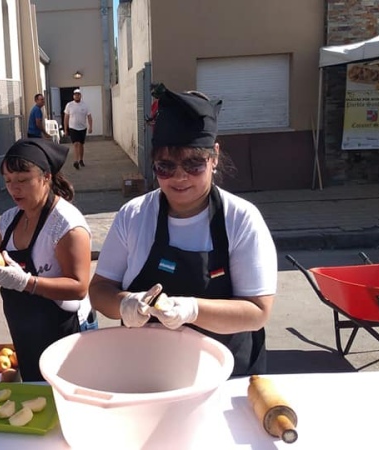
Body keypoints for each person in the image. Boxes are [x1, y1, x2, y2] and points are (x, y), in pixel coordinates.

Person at [88, 86, 277, 377]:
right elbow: (100, 290)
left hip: (223, 373)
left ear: (214, 157)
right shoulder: (134, 216)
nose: (179, 176)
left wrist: (192, 310)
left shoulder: (241, 219)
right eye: (166, 166)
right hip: (147, 370)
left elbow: (257, 311)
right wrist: (124, 304)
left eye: (193, 164)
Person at [0, 138, 93, 382]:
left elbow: (79, 287)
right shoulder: (8, 220)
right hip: (24, 330)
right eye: (8, 181)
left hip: (64, 332)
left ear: (46, 177)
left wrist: (27, 282)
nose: (14, 189)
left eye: (23, 180)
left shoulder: (66, 224)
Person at [63, 89, 92, 170]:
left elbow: (89, 117)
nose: (77, 96)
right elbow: (66, 117)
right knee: (76, 144)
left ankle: (81, 159)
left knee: (81, 144)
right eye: (75, 94)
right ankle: (76, 161)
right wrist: (65, 129)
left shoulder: (85, 105)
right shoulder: (69, 105)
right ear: (73, 96)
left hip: (82, 128)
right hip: (73, 127)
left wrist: (90, 127)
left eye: (78, 94)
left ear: (80, 96)